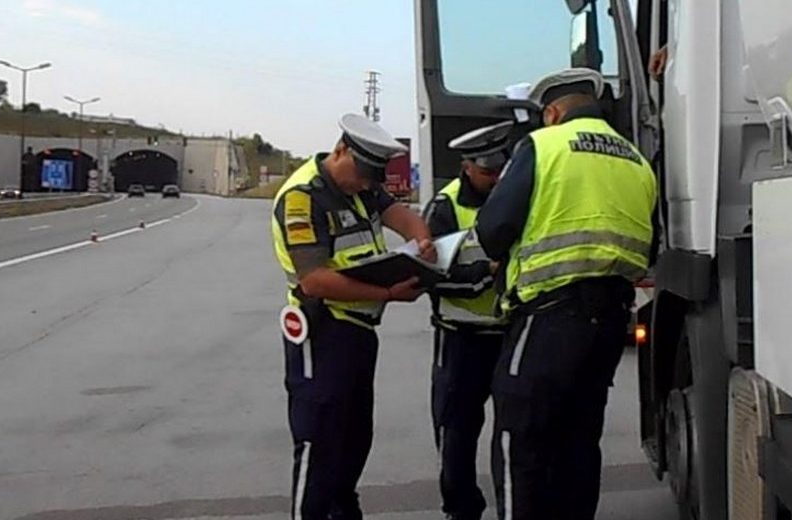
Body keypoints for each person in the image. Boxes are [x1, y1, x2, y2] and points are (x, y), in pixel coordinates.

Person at [474, 68, 658, 520]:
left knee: (520, 437)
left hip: (549, 316)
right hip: (610, 320)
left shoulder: (543, 146)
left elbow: (493, 230)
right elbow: (650, 246)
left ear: (552, 112)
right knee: (579, 440)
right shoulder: (636, 160)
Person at [270, 114, 437, 520]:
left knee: (354, 440)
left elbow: (401, 216)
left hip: (359, 332)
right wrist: (387, 294)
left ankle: (343, 511)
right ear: (341, 150)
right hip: (322, 330)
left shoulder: (363, 188)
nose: (365, 185)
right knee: (319, 440)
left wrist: (422, 239)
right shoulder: (303, 197)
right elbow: (314, 280)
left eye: (371, 179)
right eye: (361, 175)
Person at [421, 120, 514, 520]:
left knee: (515, 434)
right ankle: (461, 510)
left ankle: (513, 508)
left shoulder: (516, 198)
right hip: (461, 340)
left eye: (501, 169)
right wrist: (487, 273)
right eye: (487, 171)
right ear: (466, 167)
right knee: (455, 435)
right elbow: (431, 278)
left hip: (509, 334)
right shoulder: (444, 208)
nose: (496, 179)